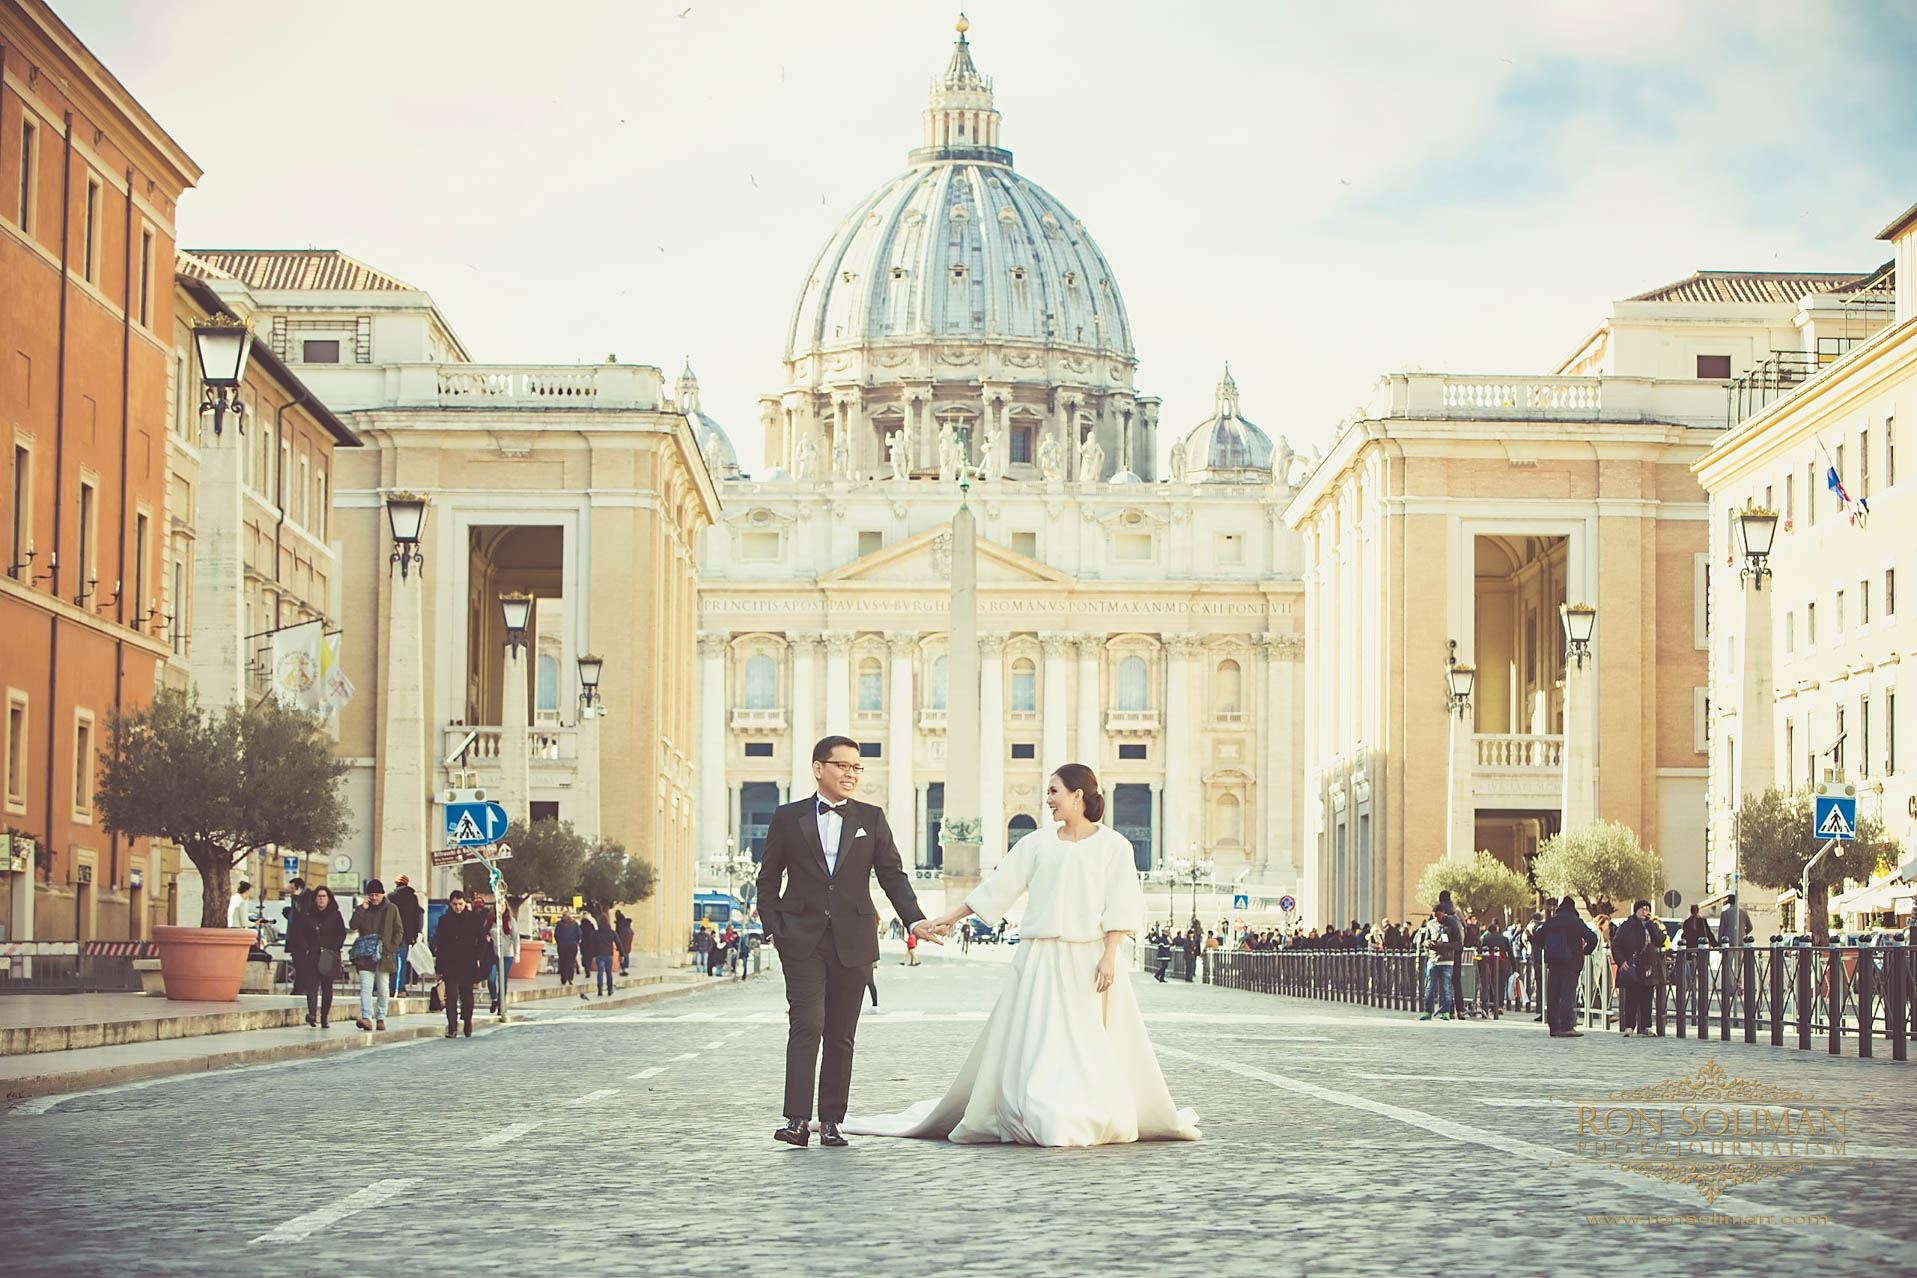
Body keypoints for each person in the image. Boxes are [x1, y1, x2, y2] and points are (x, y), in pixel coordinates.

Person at [852, 764, 1201, 1147]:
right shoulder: (1036, 843)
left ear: (1078, 795)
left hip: (1089, 958)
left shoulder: (1114, 845)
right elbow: (999, 887)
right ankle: (1040, 1105)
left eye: (1054, 791)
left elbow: (1121, 902)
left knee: (1086, 1041)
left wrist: (1110, 955)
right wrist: (948, 918)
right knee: (1040, 1039)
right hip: (1039, 957)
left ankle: (1082, 1106)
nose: (1047, 799)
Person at [757, 735, 937, 1149]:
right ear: (819, 768)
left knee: (841, 1033)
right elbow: (768, 878)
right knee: (808, 1024)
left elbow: (892, 875)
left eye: (857, 768)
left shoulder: (871, 819)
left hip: (854, 940)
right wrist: (772, 927)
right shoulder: (788, 817)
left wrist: (915, 919)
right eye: (843, 766)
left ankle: (832, 1121)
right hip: (800, 938)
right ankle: (798, 1120)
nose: (851, 774)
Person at [1535, 896, 1598, 1038]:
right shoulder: (1576, 922)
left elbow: (1537, 938)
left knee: (1553, 994)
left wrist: (1549, 948)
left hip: (1554, 962)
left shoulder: (1551, 922)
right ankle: (1567, 1026)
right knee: (1567, 994)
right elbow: (1593, 939)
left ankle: (1554, 1027)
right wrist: (1584, 952)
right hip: (1572, 962)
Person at [431, 890, 489, 1038]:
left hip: (468, 962)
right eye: (455, 904)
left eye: (460, 904)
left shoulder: (474, 918)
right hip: (450, 964)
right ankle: (452, 1027)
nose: (457, 907)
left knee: (467, 997)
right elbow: (440, 944)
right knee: (450, 997)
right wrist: (438, 968)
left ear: (465, 903)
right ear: (450, 904)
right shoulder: (444, 920)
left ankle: (468, 1023)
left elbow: (482, 940)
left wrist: (477, 957)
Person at [348, 879, 404, 1032]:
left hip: (384, 955)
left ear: (382, 894)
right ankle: (366, 1017)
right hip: (365, 955)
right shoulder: (363, 909)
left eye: (377, 895)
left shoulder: (391, 909)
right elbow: (353, 925)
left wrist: (391, 947)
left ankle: (381, 1017)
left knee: (383, 988)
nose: (374, 898)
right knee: (365, 987)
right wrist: (362, 908)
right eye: (371, 895)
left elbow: (399, 930)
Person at [287, 885, 346, 1028]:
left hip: (329, 955)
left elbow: (341, 933)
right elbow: (300, 933)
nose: (321, 899)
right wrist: (306, 948)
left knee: (327, 988)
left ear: (329, 898)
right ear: (314, 899)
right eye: (319, 896)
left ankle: (324, 1016)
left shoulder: (335, 914)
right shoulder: (308, 915)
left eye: (324, 896)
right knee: (312, 987)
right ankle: (312, 1014)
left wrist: (334, 947)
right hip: (313, 954)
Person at [1611, 899, 1663, 1038]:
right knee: (1632, 997)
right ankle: (1629, 1026)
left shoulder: (1652, 925)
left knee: (1647, 996)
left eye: (1647, 909)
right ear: (1636, 910)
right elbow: (1616, 945)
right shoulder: (1627, 926)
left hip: (1648, 965)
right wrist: (1621, 961)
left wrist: (1651, 924)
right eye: (1642, 909)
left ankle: (1646, 1026)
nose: (1644, 912)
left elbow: (1660, 940)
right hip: (1632, 965)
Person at [1418, 905, 1460, 1021]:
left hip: (1447, 960)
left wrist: (1444, 945)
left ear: (1443, 913)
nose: (1437, 918)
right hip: (1433, 959)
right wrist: (1428, 943)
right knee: (1429, 987)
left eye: (1439, 915)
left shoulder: (1452, 924)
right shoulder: (1430, 924)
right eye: (1434, 915)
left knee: (1446, 987)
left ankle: (1445, 1011)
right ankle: (1427, 1011)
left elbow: (1458, 943)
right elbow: (1425, 939)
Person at [387, 875, 423, 996]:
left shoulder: (390, 897)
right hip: (406, 935)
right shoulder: (412, 898)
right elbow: (416, 917)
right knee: (402, 962)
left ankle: (391, 988)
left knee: (392, 962)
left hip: (392, 935)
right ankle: (399, 989)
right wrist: (414, 935)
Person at [586, 908, 617, 996]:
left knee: (600, 972)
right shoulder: (611, 932)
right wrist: (621, 953)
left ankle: (600, 989)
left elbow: (592, 945)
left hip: (599, 954)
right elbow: (618, 942)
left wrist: (592, 955)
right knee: (608, 973)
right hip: (609, 954)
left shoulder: (596, 933)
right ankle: (609, 989)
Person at [554, 913, 581, 988]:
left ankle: (563, 978)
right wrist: (577, 941)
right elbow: (579, 934)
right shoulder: (574, 924)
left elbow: (556, 935)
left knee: (562, 961)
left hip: (562, 945)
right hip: (572, 945)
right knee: (571, 962)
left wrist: (559, 942)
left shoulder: (559, 925)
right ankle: (570, 978)